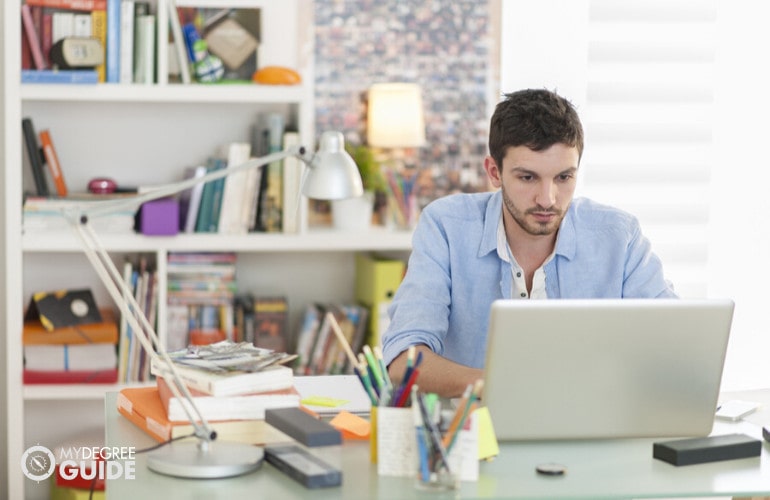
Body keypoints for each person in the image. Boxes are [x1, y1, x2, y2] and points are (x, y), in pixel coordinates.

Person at [381, 88, 677, 398]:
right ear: (495, 172)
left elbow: (672, 343)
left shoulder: (619, 235)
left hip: (590, 424)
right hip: (475, 432)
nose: (547, 199)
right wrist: (500, 386)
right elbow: (404, 360)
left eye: (564, 178)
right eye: (528, 178)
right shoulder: (446, 226)